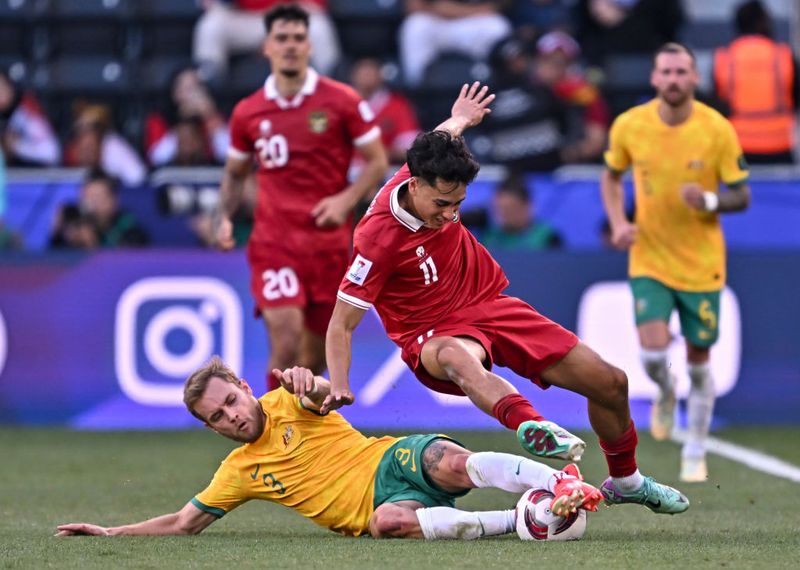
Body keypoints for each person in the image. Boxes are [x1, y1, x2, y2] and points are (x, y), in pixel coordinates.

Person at [325, 82, 690, 515]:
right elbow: (341, 323)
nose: (450, 215)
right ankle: (533, 426)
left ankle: (627, 481)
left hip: (490, 304)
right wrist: (342, 384)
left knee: (611, 383)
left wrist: (462, 116)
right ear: (415, 184)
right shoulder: (376, 239)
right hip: (431, 334)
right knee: (461, 361)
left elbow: (446, 133)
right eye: (442, 203)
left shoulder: (428, 168)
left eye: (458, 204)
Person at [56, 357, 603, 539]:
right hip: (378, 508)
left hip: (391, 458)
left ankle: (555, 483)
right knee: (387, 526)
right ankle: (522, 522)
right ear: (213, 428)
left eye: (231, 401)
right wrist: (109, 532)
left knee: (449, 460)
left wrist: (310, 381)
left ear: (246, 390)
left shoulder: (284, 400)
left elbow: (322, 394)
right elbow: (182, 524)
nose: (232, 416)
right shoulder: (238, 472)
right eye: (218, 417)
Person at [214, 5, 388, 390]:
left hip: (328, 245)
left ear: (309, 46)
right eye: (282, 38)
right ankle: (268, 434)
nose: (290, 46)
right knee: (286, 339)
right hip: (275, 241)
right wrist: (223, 217)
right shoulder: (248, 112)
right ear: (266, 47)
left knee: (313, 361)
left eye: (297, 38)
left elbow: (377, 162)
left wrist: (347, 199)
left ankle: (296, 429)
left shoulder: (342, 101)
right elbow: (235, 174)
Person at [600, 43, 751, 483]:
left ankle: (696, 449)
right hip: (649, 254)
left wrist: (707, 199)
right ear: (653, 78)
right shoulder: (630, 125)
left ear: (695, 78)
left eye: (681, 72)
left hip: (702, 262)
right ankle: (666, 390)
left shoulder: (716, 129)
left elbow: (742, 194)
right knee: (651, 354)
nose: (673, 80)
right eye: (665, 72)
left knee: (700, 361)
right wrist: (618, 222)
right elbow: (610, 175)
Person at [713, 0, 799, 164]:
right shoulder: (783, 56)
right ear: (763, 22)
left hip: (737, 147)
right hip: (779, 146)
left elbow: (718, 104)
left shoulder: (724, 58)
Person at [193, 0, 340, 80]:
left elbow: (317, 5)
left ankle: (331, 87)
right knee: (211, 26)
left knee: (319, 27)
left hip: (289, 16)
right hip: (246, 19)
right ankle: (208, 88)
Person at [532, 31, 610, 165]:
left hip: (572, 168)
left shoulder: (586, 95)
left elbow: (595, 142)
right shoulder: (522, 90)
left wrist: (563, 156)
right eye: (548, 61)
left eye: (562, 63)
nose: (553, 69)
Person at [398, 0, 512, 87]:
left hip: (474, 21)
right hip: (436, 22)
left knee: (497, 26)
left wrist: (448, 8)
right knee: (415, 25)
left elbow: (498, 5)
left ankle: (495, 86)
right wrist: (443, 9)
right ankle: (417, 88)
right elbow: (414, 7)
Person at [144, 66, 229, 167]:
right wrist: (181, 121)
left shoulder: (213, 118)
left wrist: (210, 116)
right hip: (171, 177)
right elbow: (157, 158)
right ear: (174, 92)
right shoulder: (159, 118)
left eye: (195, 88)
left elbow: (229, 154)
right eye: (186, 89)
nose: (192, 95)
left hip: (209, 175)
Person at [50, 168, 149, 250]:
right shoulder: (76, 225)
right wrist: (57, 236)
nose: (92, 205)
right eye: (88, 197)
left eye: (98, 198)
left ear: (113, 200)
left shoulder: (128, 227)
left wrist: (92, 245)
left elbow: (125, 265)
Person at [350, 57, 421, 165]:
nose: (366, 77)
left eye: (370, 72)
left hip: (386, 169)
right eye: (363, 73)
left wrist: (379, 154)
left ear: (380, 76)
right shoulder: (343, 104)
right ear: (353, 76)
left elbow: (409, 148)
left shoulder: (397, 105)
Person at [64, 102, 147, 188]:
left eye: (91, 126)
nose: (87, 151)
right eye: (80, 126)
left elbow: (138, 177)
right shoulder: (71, 147)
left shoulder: (112, 145)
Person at [481, 174, 562, 250]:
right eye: (500, 208)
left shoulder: (547, 238)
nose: (504, 214)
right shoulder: (489, 237)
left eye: (510, 208)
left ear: (527, 205)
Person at [0, 69, 60, 167]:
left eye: (1, 87)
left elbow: (50, 153)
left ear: (11, 88)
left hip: (30, 176)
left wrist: (16, 146)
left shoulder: (27, 113)